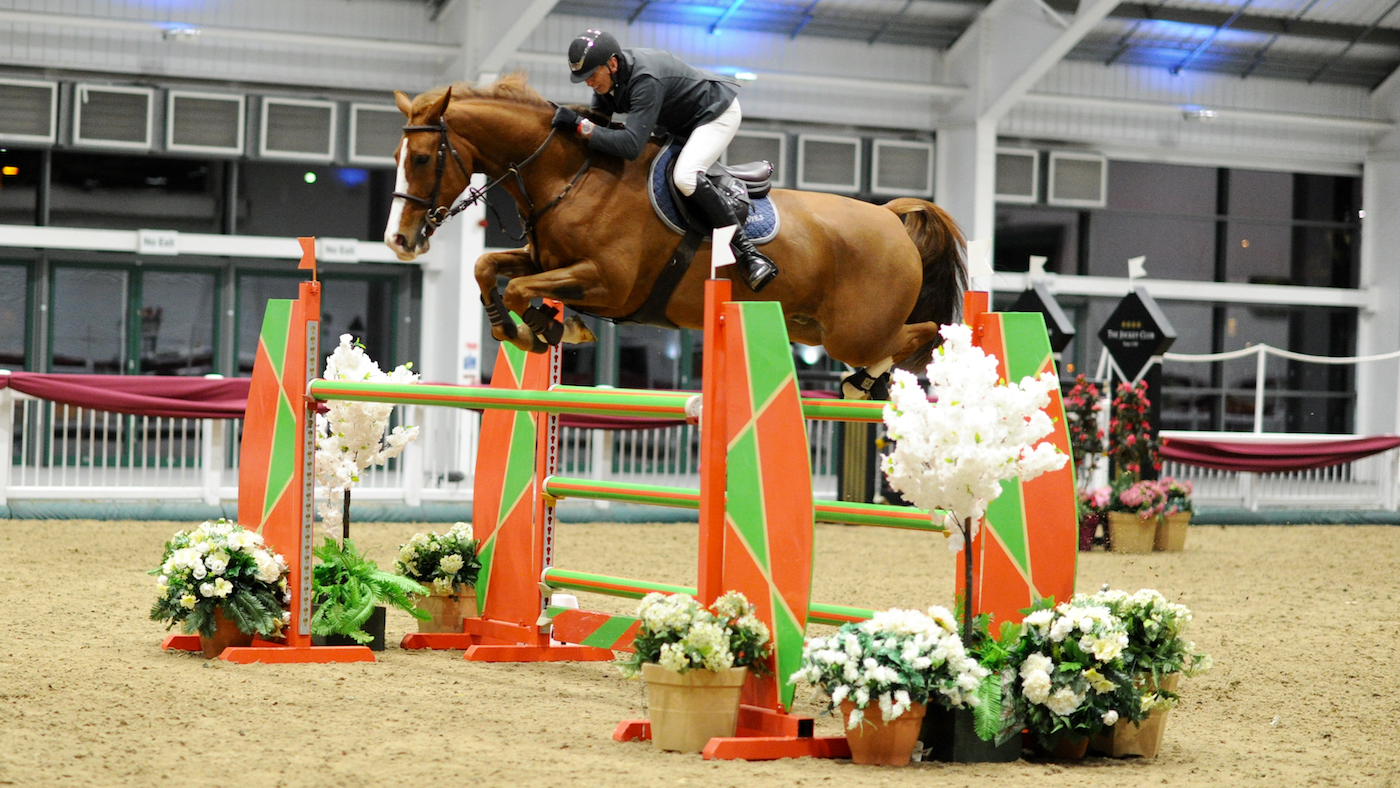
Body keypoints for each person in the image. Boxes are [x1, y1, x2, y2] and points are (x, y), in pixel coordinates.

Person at [550, 29, 778, 293]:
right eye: (583, 78)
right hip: (678, 121)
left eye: (590, 75)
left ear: (612, 64)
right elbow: (598, 125)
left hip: (715, 114)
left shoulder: (645, 79)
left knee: (685, 177)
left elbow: (630, 145)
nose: (588, 82)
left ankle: (750, 254)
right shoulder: (607, 82)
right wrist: (570, 125)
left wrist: (580, 126)